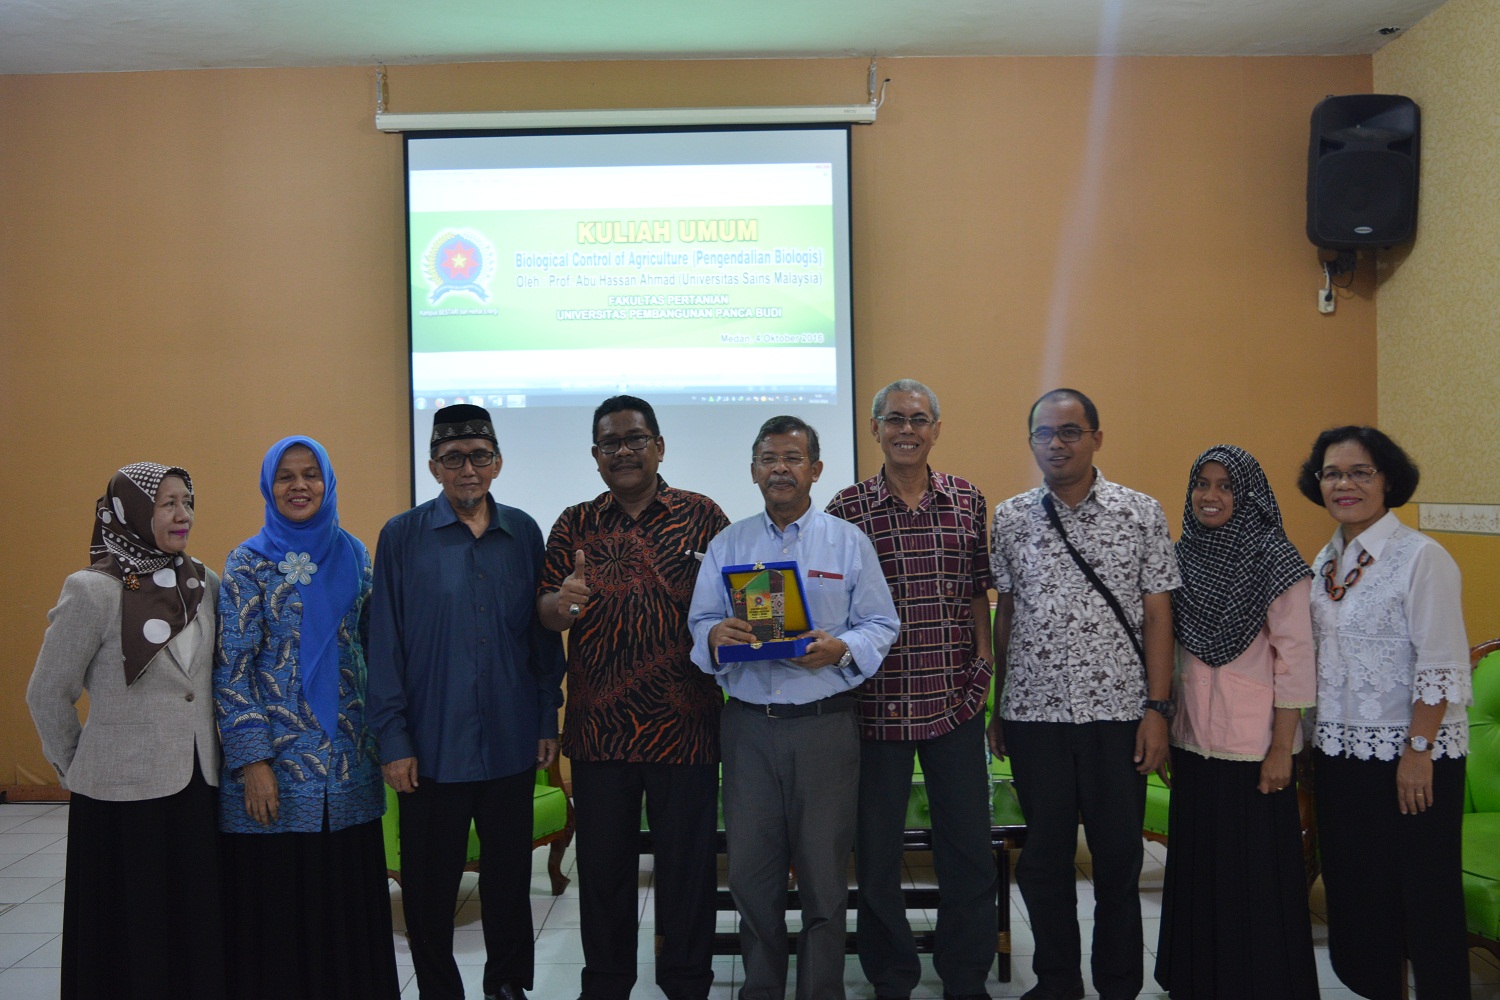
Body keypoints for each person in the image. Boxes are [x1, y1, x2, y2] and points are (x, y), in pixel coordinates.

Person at [688, 415, 900, 1000]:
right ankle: (760, 990)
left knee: (825, 878)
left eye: (792, 457)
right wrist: (714, 637)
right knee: (753, 877)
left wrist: (841, 648)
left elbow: (881, 622)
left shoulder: (847, 541)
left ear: (815, 468)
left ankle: (820, 992)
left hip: (825, 728)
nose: (780, 468)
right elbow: (700, 622)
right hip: (749, 729)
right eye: (768, 458)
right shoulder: (729, 544)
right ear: (754, 469)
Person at [367, 403, 566, 1000]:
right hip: (429, 751)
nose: (468, 470)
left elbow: (539, 636)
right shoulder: (402, 537)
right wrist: (394, 739)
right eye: (454, 459)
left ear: (497, 463)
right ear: (434, 467)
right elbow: (385, 645)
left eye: (480, 457)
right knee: (429, 890)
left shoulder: (523, 533)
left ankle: (506, 986)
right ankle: (438, 991)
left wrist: (544, 716)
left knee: (508, 884)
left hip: (508, 743)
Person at [987, 388, 1180, 1000]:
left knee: (1118, 860)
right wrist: (999, 706)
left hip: (1118, 716)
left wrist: (1157, 709)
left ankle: (1119, 984)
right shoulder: (1011, 517)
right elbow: (1006, 615)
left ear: (1097, 437)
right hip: (1035, 715)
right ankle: (1058, 982)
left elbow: (1158, 617)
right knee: (1043, 864)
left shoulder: (1141, 512)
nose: (1057, 443)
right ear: (1032, 443)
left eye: (1070, 431)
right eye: (1045, 433)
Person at [536, 395, 730, 1000]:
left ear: (659, 446)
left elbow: (736, 604)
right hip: (601, 731)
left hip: (687, 726)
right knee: (604, 873)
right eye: (610, 443)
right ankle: (608, 983)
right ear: (596, 457)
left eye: (635, 438)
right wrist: (562, 603)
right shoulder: (575, 523)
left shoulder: (704, 517)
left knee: (688, 872)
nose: (623, 450)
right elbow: (546, 613)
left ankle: (687, 981)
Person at [27, 463, 227, 1000]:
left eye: (187, 501)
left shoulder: (204, 582)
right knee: (129, 933)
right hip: (119, 795)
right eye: (165, 504)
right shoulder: (92, 590)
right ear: (131, 511)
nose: (181, 514)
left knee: (193, 927)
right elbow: (46, 692)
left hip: (196, 785)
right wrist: (77, 765)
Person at [825, 379, 997, 1000]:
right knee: (875, 859)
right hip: (876, 708)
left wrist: (982, 665)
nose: (907, 430)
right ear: (874, 429)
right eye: (894, 419)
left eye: (919, 419)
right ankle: (891, 975)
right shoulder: (847, 509)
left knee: (969, 853)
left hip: (954, 700)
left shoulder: (968, 500)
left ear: (936, 429)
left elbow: (979, 590)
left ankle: (965, 975)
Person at [214, 436, 399, 1000]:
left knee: (345, 908)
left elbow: (375, 653)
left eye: (311, 474)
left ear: (328, 482)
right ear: (269, 487)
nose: (300, 486)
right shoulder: (248, 562)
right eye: (286, 476)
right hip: (278, 770)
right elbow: (231, 669)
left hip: (347, 766)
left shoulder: (356, 554)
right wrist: (253, 764)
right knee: (279, 915)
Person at [1297, 426, 1471, 999]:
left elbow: (1440, 664)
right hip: (1343, 756)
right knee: (1359, 895)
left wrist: (1418, 754)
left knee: (1423, 895)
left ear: (1388, 480)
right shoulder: (1326, 561)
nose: (1344, 484)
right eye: (1331, 473)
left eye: (1360, 472)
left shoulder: (1422, 558)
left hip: (1412, 760)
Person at [1152, 444, 1318, 999]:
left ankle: (1260, 985)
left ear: (1247, 494)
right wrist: (1172, 733)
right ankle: (1198, 980)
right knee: (1200, 869)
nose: (1211, 496)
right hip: (1194, 740)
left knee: (1253, 876)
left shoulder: (1276, 559)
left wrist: (1282, 750)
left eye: (1226, 485)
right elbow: (1173, 655)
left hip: (1255, 749)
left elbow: (1296, 662)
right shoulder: (1181, 555)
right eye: (1202, 483)